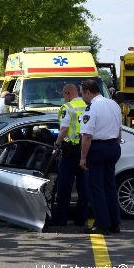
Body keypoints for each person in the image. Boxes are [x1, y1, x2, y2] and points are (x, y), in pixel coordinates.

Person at [79, 79, 122, 235]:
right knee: (110, 187)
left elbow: (87, 136)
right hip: (113, 146)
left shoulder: (91, 108)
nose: (82, 96)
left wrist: (83, 158)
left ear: (88, 92)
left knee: (96, 188)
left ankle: (102, 225)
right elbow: (119, 130)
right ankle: (114, 224)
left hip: (98, 149)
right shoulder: (113, 104)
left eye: (82, 93)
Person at [51, 84, 88, 227]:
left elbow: (64, 129)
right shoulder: (86, 105)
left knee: (64, 186)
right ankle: (81, 219)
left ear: (67, 93)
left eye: (63, 95)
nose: (64, 98)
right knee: (83, 187)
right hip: (84, 149)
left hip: (70, 150)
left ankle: (61, 219)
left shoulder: (68, 108)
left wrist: (56, 143)